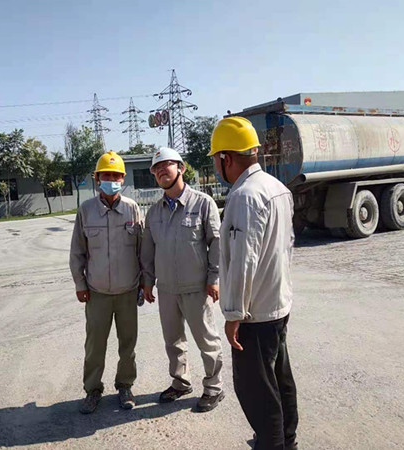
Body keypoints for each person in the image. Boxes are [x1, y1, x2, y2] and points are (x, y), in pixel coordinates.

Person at [209, 116, 299, 449]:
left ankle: (272, 444)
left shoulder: (244, 196)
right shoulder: (278, 188)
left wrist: (234, 314)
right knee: (279, 379)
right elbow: (287, 247)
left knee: (256, 390)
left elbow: (243, 259)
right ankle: (287, 440)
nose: (216, 166)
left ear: (226, 158)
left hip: (254, 313)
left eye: (216, 160)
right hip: (276, 304)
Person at [141, 147, 225, 412]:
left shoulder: (202, 203)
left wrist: (214, 278)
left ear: (181, 168)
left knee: (207, 341)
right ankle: (181, 382)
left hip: (196, 287)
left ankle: (214, 387)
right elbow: (148, 251)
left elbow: (217, 243)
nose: (161, 171)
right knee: (173, 341)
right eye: (156, 168)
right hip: (166, 288)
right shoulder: (154, 212)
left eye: (166, 165)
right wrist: (148, 281)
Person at [69, 151, 143, 414]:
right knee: (95, 346)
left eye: (115, 176)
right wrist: (80, 283)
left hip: (127, 291)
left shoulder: (132, 209)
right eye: (106, 176)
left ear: (122, 179)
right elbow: (77, 251)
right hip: (97, 292)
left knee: (128, 346)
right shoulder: (86, 211)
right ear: (97, 178)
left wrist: (145, 283)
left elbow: (142, 250)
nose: (111, 180)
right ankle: (92, 390)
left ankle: (125, 386)